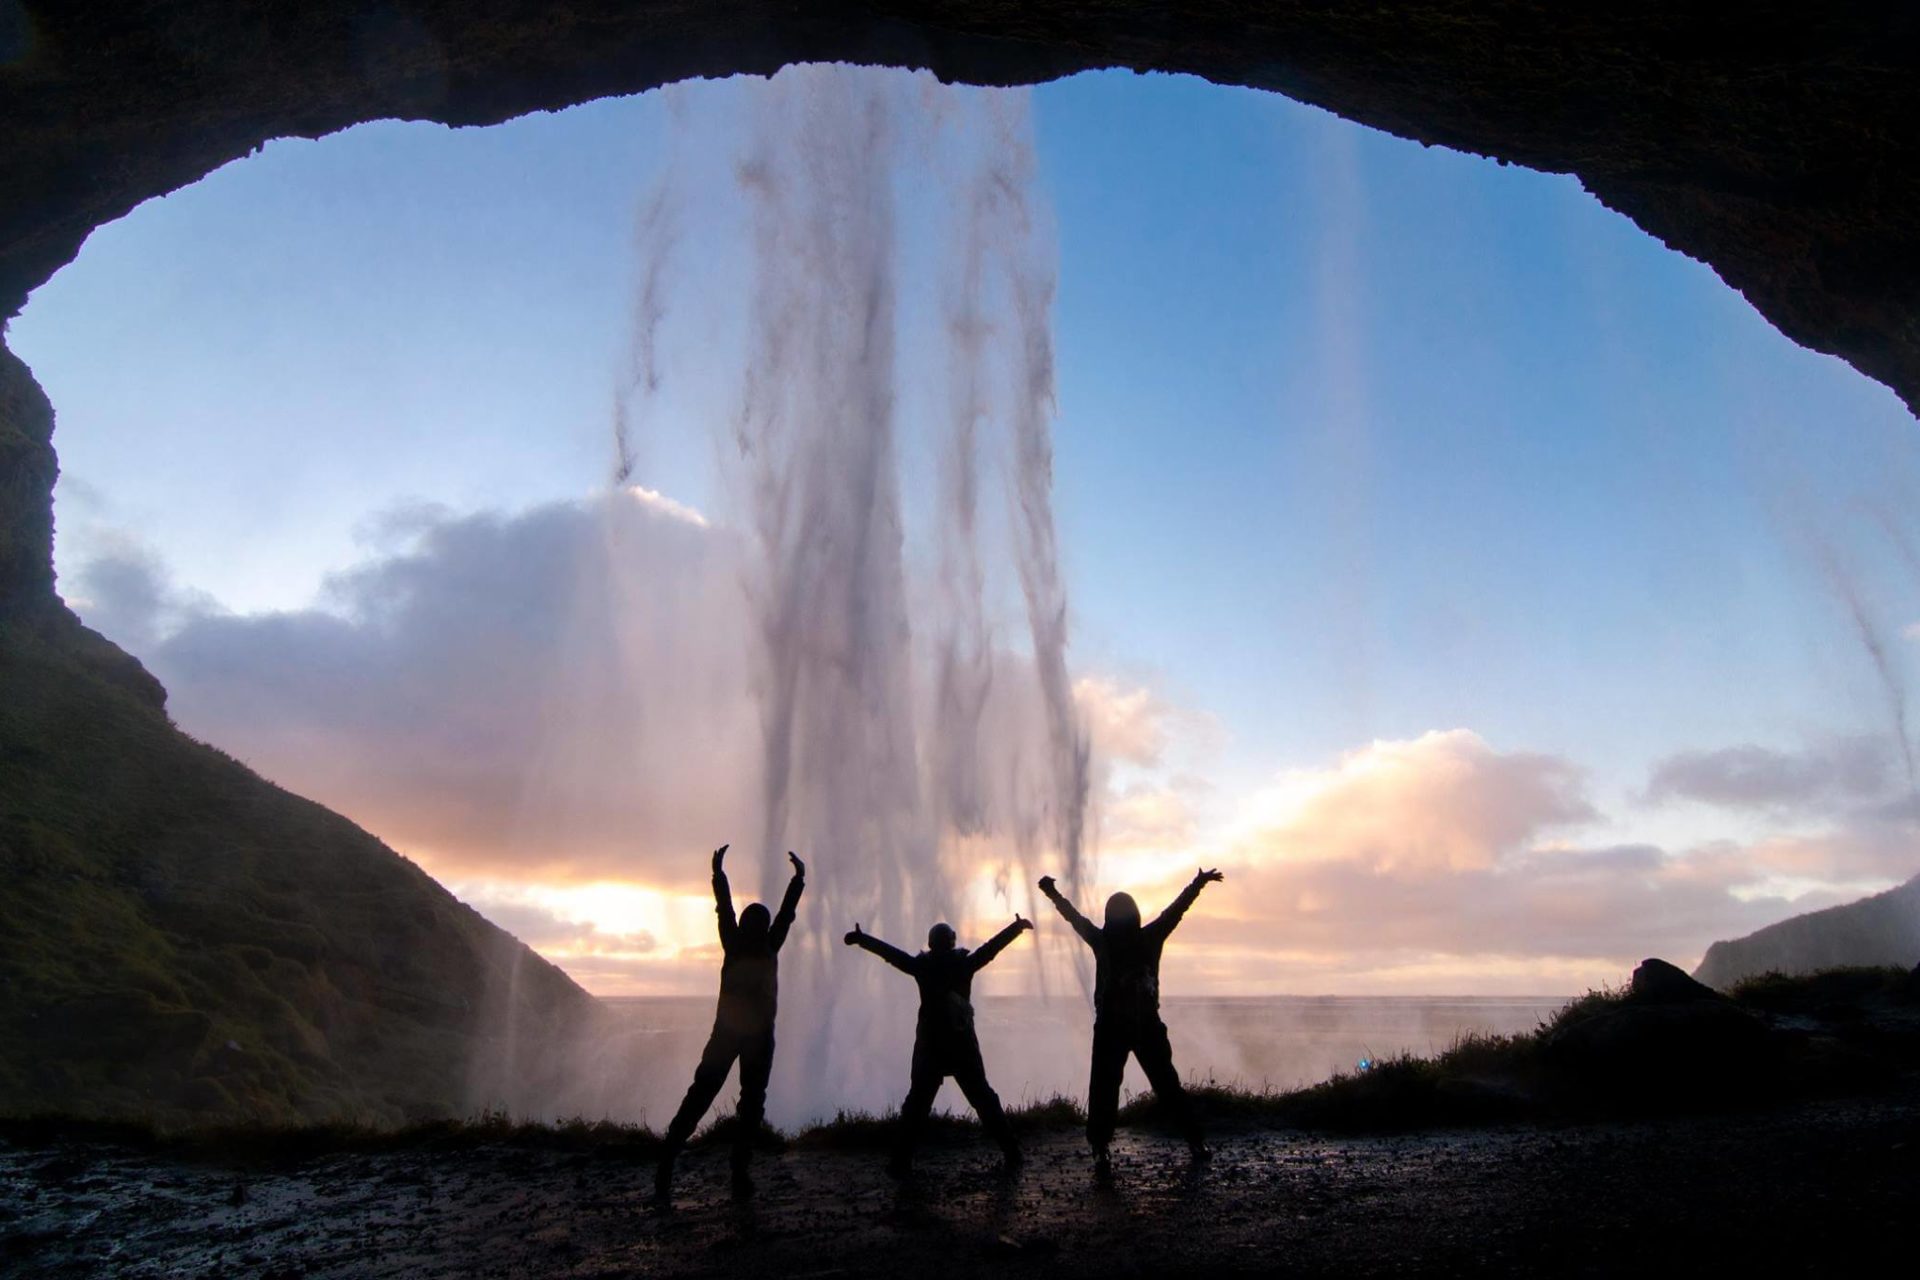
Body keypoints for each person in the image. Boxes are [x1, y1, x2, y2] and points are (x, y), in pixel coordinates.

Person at [1037, 867, 1223, 1182]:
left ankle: (1101, 1147)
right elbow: (1176, 910)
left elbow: (1075, 918)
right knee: (1165, 1085)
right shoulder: (1148, 936)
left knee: (1106, 1089)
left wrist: (1052, 893)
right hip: (1144, 1022)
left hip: (1114, 1026)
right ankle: (1194, 1141)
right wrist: (1198, 883)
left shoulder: (1103, 939)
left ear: (1110, 916)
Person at [654, 844, 805, 1204]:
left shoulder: (733, 944)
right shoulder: (770, 945)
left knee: (701, 1095)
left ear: (745, 925)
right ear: (766, 926)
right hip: (758, 1039)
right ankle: (739, 1172)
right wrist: (799, 879)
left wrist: (718, 873)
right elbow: (785, 913)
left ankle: (667, 1163)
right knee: (751, 1104)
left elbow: (726, 909)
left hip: (726, 1034)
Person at [844, 913, 1033, 1177]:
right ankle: (1012, 1152)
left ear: (931, 944)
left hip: (930, 1044)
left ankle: (900, 1160)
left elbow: (893, 955)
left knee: (917, 1105)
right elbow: (990, 950)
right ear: (952, 943)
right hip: (961, 1043)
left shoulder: (922, 967)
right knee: (983, 1099)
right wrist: (1016, 928)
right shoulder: (964, 965)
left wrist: (863, 940)